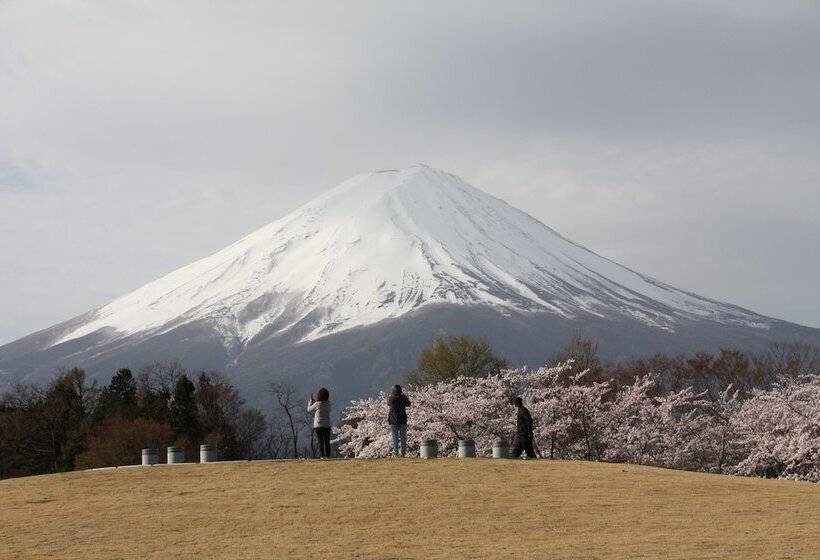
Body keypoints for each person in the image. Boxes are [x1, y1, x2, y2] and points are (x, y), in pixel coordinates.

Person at [307, 387, 332, 458]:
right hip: (327, 425)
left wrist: (310, 402)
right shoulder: (328, 404)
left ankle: (322, 456)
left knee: (320, 442)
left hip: (318, 426)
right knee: (327, 442)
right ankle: (328, 456)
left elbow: (309, 409)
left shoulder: (317, 404)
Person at [387, 384, 411, 457]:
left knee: (395, 439)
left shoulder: (391, 398)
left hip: (393, 420)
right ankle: (403, 453)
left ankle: (396, 453)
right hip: (402, 420)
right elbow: (409, 404)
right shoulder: (403, 398)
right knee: (403, 438)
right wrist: (405, 397)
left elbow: (388, 404)